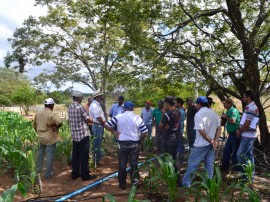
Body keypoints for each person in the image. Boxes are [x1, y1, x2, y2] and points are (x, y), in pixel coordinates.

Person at [104, 101, 147, 190]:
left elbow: (107, 125)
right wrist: (140, 140)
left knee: (122, 164)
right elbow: (144, 131)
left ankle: (122, 184)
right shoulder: (137, 118)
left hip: (122, 143)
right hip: (134, 143)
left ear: (124, 108)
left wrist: (114, 132)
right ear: (133, 108)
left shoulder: (119, 117)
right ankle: (134, 183)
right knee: (134, 164)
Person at [182, 96, 221, 187]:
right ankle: (207, 183)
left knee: (193, 163)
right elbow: (219, 128)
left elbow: (201, 130)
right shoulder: (213, 113)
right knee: (209, 164)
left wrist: (211, 140)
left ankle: (186, 183)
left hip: (201, 144)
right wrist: (215, 140)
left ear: (199, 104)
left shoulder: (199, 114)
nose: (196, 105)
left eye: (196, 104)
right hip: (210, 144)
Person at [68, 91, 96, 181]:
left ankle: (75, 174)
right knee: (84, 155)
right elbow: (88, 119)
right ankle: (85, 175)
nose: (82, 99)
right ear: (79, 98)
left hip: (75, 135)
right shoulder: (79, 107)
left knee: (75, 155)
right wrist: (91, 119)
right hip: (83, 135)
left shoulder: (70, 107)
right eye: (81, 98)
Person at [34, 98, 62, 179]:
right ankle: (48, 174)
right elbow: (59, 122)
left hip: (41, 137)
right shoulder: (52, 114)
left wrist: (39, 132)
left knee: (40, 153)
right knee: (50, 155)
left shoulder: (38, 113)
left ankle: (38, 170)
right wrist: (55, 127)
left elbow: (35, 125)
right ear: (51, 105)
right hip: (50, 137)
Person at [236, 90, 259, 181]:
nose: (243, 98)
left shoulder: (252, 107)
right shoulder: (249, 107)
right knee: (249, 155)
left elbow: (247, 123)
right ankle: (250, 176)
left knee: (240, 155)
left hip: (248, 136)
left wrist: (240, 131)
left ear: (249, 97)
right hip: (248, 135)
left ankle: (245, 176)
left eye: (244, 97)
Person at [220, 98, 241, 172]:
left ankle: (235, 169)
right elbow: (222, 124)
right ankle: (224, 168)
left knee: (235, 152)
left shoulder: (233, 110)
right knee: (226, 151)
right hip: (230, 134)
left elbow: (233, 120)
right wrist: (223, 118)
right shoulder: (228, 111)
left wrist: (226, 117)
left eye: (225, 103)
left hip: (235, 134)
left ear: (229, 104)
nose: (224, 105)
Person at [159, 96, 181, 162]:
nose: (164, 104)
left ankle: (170, 171)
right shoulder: (178, 112)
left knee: (168, 157)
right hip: (176, 136)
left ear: (167, 103)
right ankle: (176, 171)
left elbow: (160, 126)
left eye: (165, 103)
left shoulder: (168, 114)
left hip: (169, 137)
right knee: (175, 156)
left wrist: (163, 114)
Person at [89, 89, 106, 166]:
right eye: (101, 96)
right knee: (97, 143)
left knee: (97, 143)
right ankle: (97, 159)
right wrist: (104, 123)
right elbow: (98, 117)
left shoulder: (97, 104)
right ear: (98, 97)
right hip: (98, 125)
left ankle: (96, 158)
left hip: (98, 125)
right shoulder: (94, 105)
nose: (102, 97)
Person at [175, 97, 186, 163]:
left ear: (179, 103)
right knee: (179, 144)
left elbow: (177, 122)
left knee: (179, 145)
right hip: (179, 130)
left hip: (178, 130)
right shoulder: (180, 111)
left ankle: (180, 160)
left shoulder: (180, 112)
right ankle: (180, 159)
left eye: (176, 102)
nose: (174, 104)